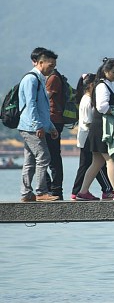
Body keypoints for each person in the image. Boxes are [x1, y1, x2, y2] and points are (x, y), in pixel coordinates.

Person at [76, 57, 114, 200]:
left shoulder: (103, 84)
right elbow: (102, 107)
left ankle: (83, 192)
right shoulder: (102, 85)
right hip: (102, 128)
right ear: (106, 71)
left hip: (97, 127)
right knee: (111, 159)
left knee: (97, 161)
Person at [17, 47, 59, 202]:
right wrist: (38, 126)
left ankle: (26, 193)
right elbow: (31, 105)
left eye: (54, 65)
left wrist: (50, 127)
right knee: (43, 157)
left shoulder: (40, 79)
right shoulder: (31, 79)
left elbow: (43, 107)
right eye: (50, 65)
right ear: (40, 63)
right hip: (30, 127)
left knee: (30, 161)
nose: (52, 68)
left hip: (33, 126)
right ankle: (41, 192)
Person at [70, 73, 113, 201]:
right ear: (90, 85)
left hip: (85, 137)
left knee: (87, 165)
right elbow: (88, 122)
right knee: (97, 164)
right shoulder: (88, 101)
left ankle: (77, 191)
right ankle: (107, 189)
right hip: (89, 136)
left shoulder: (85, 99)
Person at [41, 62, 70, 199]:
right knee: (52, 156)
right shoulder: (54, 76)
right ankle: (53, 188)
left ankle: (54, 188)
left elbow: (45, 98)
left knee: (50, 157)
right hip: (54, 120)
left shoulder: (52, 78)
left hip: (53, 120)